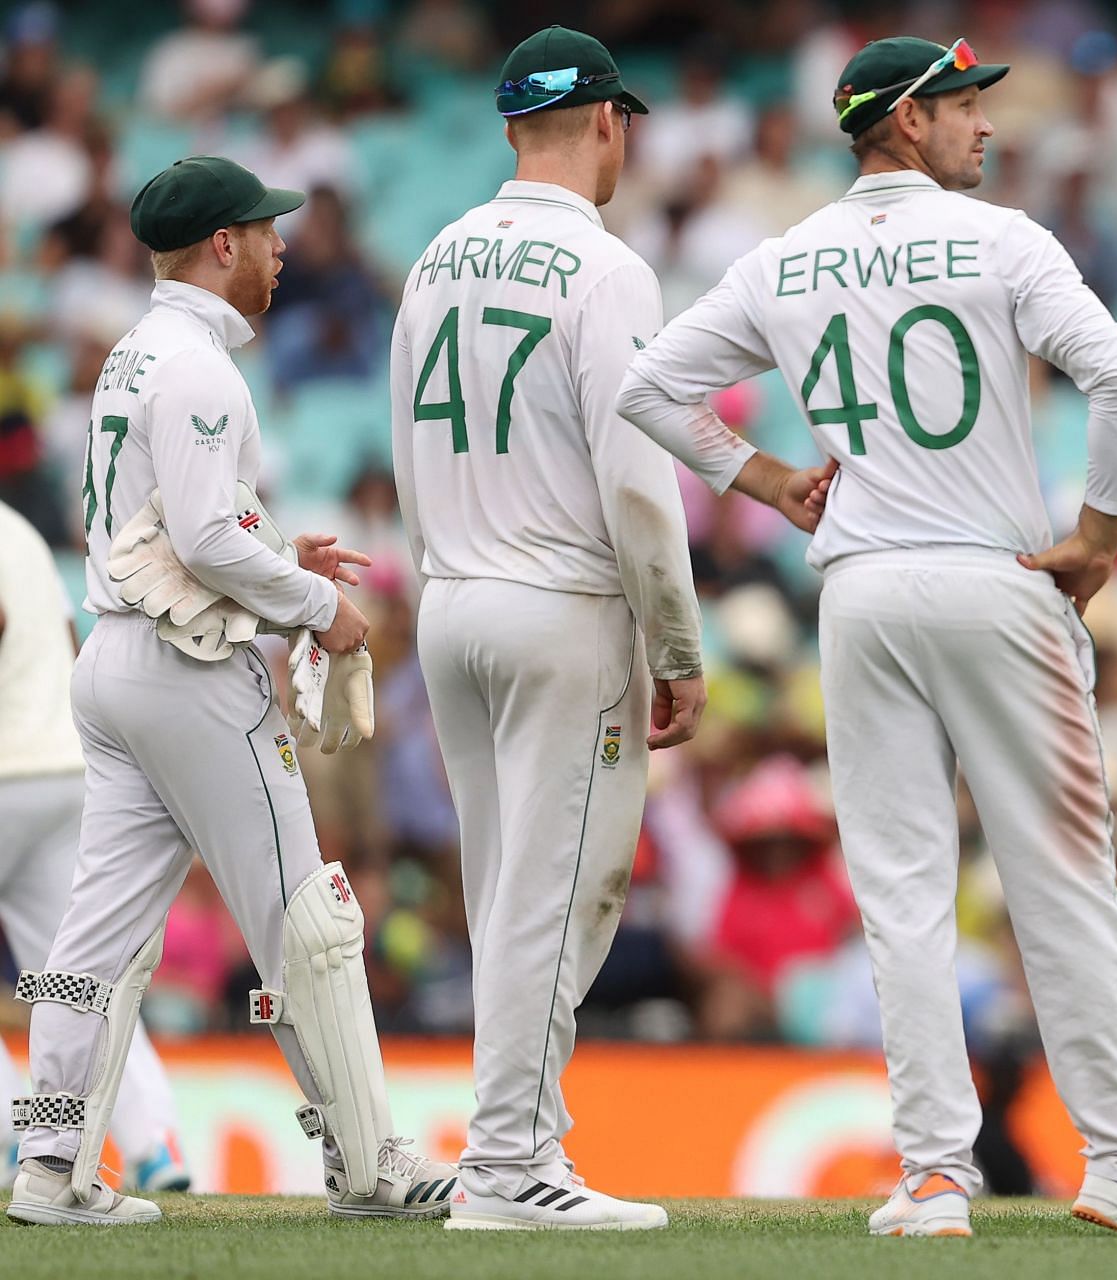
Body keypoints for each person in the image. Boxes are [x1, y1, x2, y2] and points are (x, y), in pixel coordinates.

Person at [617, 35, 1117, 1238]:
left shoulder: (784, 258)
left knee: (901, 895)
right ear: (903, 123)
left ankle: (935, 1175)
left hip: (862, 596)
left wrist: (769, 478)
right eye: (963, 106)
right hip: (996, 578)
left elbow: (648, 386)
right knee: (1064, 880)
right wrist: (1098, 532)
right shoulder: (1007, 239)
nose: (984, 124)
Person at [389, 27, 787, 1231]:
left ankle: (519, 1143)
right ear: (608, 123)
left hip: (451, 598)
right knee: (563, 892)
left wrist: (437, 584)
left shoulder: (435, 256)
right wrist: (676, 644)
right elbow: (635, 478)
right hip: (559, 605)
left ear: (514, 126)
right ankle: (509, 1164)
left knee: (504, 888)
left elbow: (407, 455)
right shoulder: (608, 270)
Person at [8, 155, 455, 1226]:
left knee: (94, 935)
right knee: (309, 914)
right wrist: (310, 600)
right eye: (264, 229)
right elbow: (204, 533)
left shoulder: (130, 354)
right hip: (190, 670)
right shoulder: (201, 367)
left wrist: (270, 548)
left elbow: (176, 525)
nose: (280, 245)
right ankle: (371, 1162)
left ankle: (51, 1164)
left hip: (114, 662)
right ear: (222, 244)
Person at [0, 500, 190, 1195]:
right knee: (79, 976)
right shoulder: (18, 530)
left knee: (75, 972)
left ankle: (12, 1132)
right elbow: (62, 641)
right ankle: (154, 1142)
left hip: (6, 769)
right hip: (58, 769)